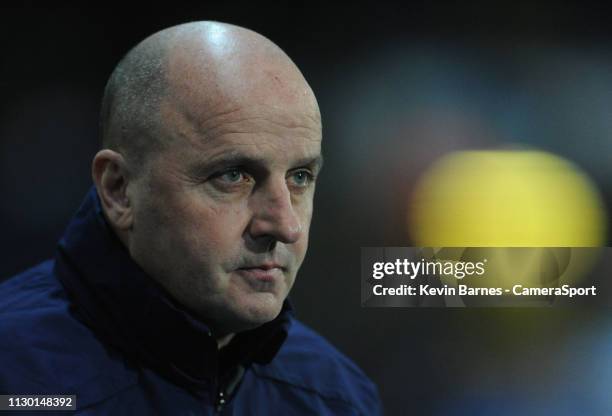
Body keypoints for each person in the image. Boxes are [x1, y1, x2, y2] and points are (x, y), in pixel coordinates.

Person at [0, 21, 381, 415]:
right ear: (119, 189)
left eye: (300, 177)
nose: (286, 225)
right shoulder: (13, 381)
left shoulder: (336, 396)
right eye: (233, 176)